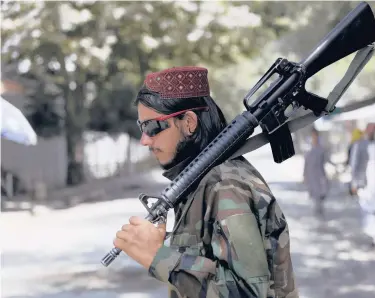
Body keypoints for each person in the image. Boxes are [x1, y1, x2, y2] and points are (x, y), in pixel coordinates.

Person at [113, 66, 298, 298]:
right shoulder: (200, 183)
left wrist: (157, 257)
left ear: (189, 123)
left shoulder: (224, 185)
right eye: (142, 127)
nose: (144, 140)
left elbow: (248, 293)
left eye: (152, 127)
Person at [303, 128, 333, 217]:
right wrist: (304, 175)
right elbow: (306, 163)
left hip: (320, 175)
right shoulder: (308, 149)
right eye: (313, 136)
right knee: (314, 195)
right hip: (311, 175)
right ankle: (317, 215)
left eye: (315, 135)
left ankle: (320, 213)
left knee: (321, 194)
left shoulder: (321, 149)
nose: (314, 137)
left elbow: (327, 160)